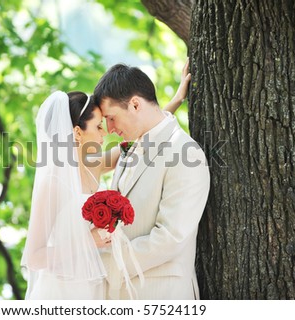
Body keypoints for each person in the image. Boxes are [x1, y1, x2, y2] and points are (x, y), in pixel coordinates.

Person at [21, 62, 191, 300]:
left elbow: (147, 135)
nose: (106, 131)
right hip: (61, 290)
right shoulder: (53, 182)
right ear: (78, 133)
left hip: (95, 286)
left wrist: (176, 99)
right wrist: (87, 241)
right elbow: (34, 257)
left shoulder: (95, 165)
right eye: (99, 126)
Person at [93, 59, 210, 300]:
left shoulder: (185, 153)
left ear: (135, 104)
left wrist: (97, 264)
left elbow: (170, 238)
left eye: (111, 118)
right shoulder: (129, 150)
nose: (109, 129)